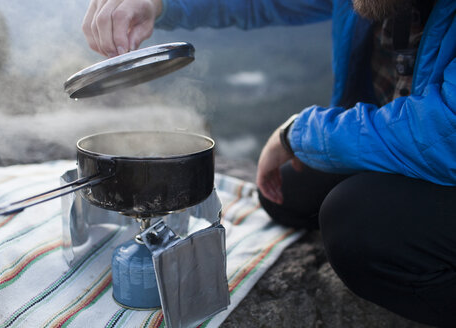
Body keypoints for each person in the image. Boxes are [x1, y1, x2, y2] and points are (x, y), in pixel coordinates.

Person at [82, 0, 456, 326]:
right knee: (284, 193)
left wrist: (302, 133)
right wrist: (159, 1)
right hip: (418, 146)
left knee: (357, 225)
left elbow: (446, 133)